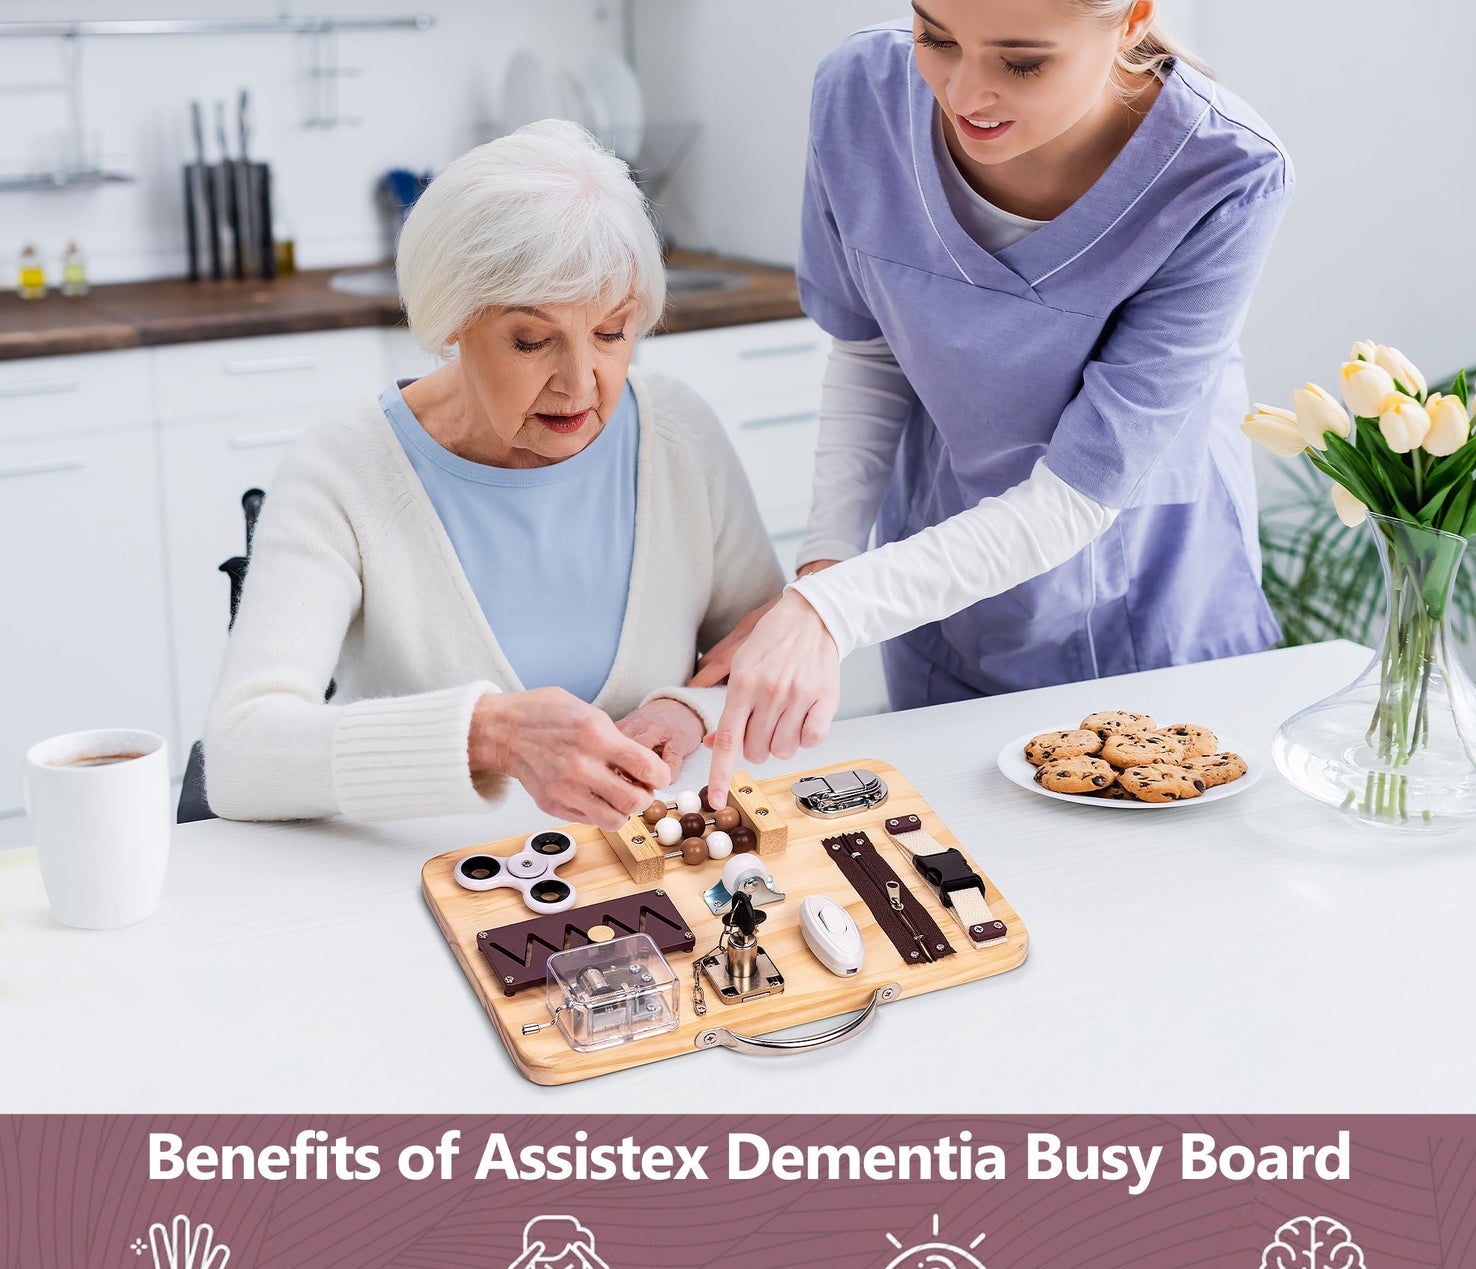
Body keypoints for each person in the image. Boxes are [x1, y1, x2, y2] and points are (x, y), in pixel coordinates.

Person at [696, 0, 1292, 805]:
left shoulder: (1224, 173)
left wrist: (830, 609)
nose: (964, 93)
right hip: (945, 571)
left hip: (1145, 590)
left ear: (1132, 18)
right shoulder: (860, 94)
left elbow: (1077, 495)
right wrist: (826, 571)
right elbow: (874, 347)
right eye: (935, 37)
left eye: (1021, 62)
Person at [204, 121, 782, 828]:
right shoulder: (344, 468)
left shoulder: (678, 434)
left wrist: (688, 708)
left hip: (651, 877)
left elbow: (772, 653)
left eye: (611, 332)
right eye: (532, 340)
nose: (580, 383)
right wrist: (490, 734)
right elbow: (238, 756)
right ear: (453, 320)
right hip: (421, 882)